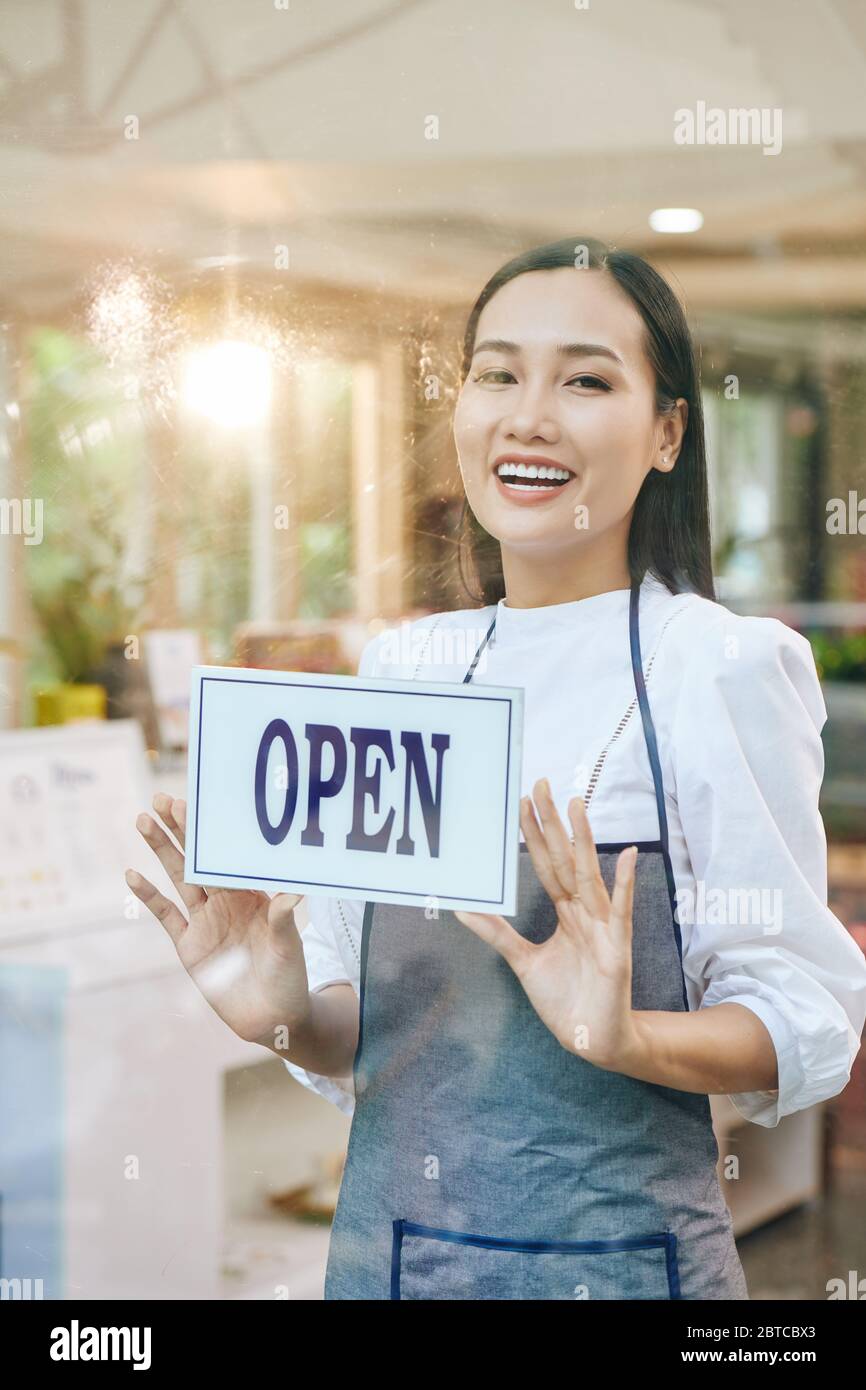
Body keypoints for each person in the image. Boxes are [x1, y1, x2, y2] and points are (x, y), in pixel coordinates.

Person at [127, 236, 866, 1300]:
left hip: (622, 1272)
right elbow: (357, 1038)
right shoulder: (402, 668)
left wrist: (624, 1035)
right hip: (383, 1264)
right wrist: (271, 1007)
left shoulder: (718, 665)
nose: (528, 414)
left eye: (584, 378)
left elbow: (809, 1020)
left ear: (666, 432)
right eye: (496, 372)